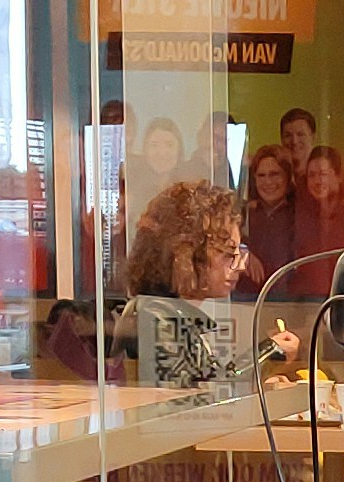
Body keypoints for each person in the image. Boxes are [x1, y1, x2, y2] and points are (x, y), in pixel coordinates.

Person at [124, 180, 296, 388]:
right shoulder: (159, 321)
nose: (240, 266)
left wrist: (263, 382)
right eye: (227, 254)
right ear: (186, 255)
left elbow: (206, 386)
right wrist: (268, 352)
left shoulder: (169, 317)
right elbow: (189, 406)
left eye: (239, 253)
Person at [237, 147, 299, 299]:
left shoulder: (299, 212)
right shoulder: (243, 213)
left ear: (288, 176)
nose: (268, 182)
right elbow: (225, 243)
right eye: (261, 175)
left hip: (290, 300)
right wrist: (243, 252)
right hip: (245, 299)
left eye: (274, 174)